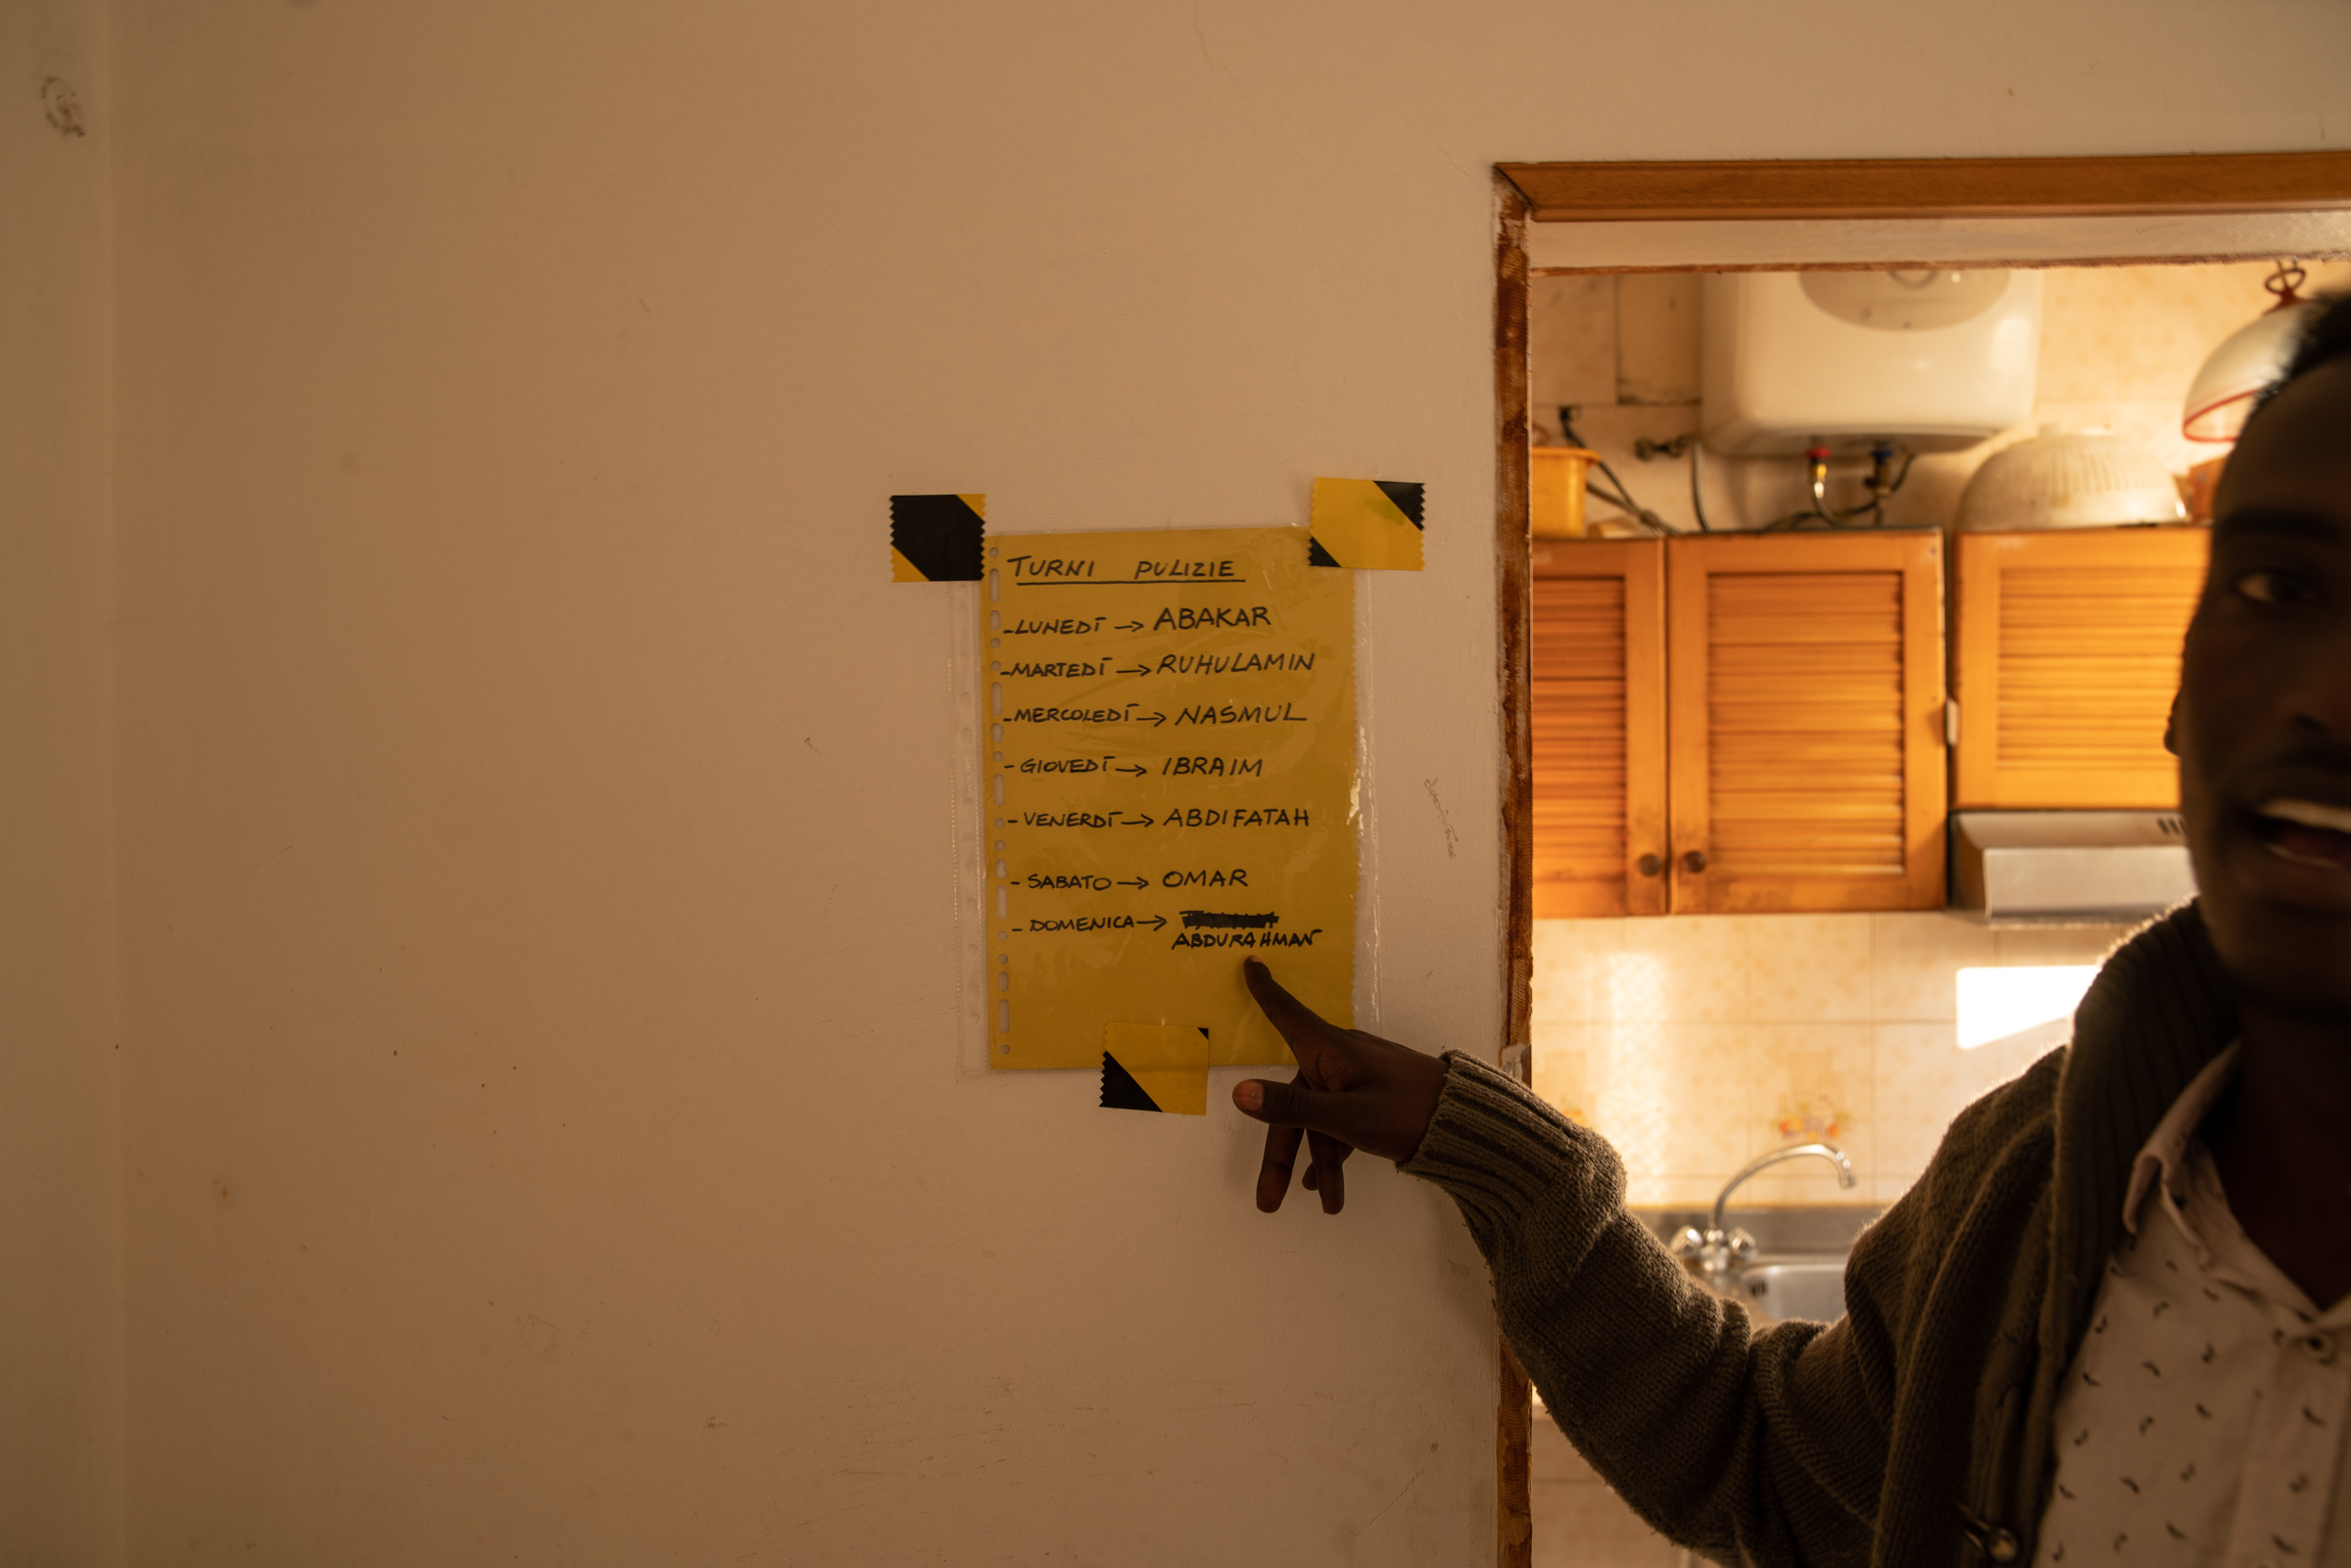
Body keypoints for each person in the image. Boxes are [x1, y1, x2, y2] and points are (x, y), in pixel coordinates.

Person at [1230, 293, 2351, 1568]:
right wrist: (1491, 1146)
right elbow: (1766, 1464)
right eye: (2274, 584)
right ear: (2178, 698)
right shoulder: (2028, 1191)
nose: (2325, 690)